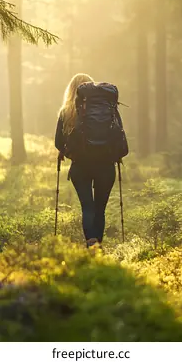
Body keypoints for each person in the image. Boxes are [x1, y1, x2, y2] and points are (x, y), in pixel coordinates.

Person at [54, 73, 128, 249]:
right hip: (106, 165)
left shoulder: (66, 112)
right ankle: (97, 246)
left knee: (87, 206)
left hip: (81, 166)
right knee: (100, 209)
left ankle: (91, 242)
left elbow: (58, 142)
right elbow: (119, 135)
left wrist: (67, 151)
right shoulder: (107, 109)